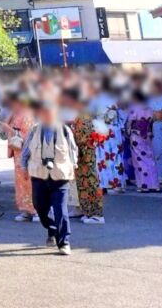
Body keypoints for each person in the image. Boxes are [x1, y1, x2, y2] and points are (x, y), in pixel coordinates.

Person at [19, 99, 77, 256]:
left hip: (60, 176)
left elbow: (73, 151)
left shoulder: (65, 130)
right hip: (39, 176)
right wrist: (23, 168)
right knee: (40, 208)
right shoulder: (34, 130)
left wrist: (73, 167)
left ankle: (64, 242)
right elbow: (25, 152)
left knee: (61, 210)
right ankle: (51, 228)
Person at [65, 87, 106, 224]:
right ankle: (86, 210)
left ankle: (96, 213)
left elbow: (86, 135)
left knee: (90, 180)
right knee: (82, 182)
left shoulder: (86, 115)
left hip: (86, 150)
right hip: (80, 151)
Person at [3, 92, 37, 223]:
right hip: (18, 153)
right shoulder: (16, 113)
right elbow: (6, 126)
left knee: (29, 182)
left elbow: (28, 135)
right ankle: (25, 210)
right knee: (20, 183)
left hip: (26, 152)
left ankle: (36, 210)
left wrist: (11, 130)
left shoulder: (27, 114)